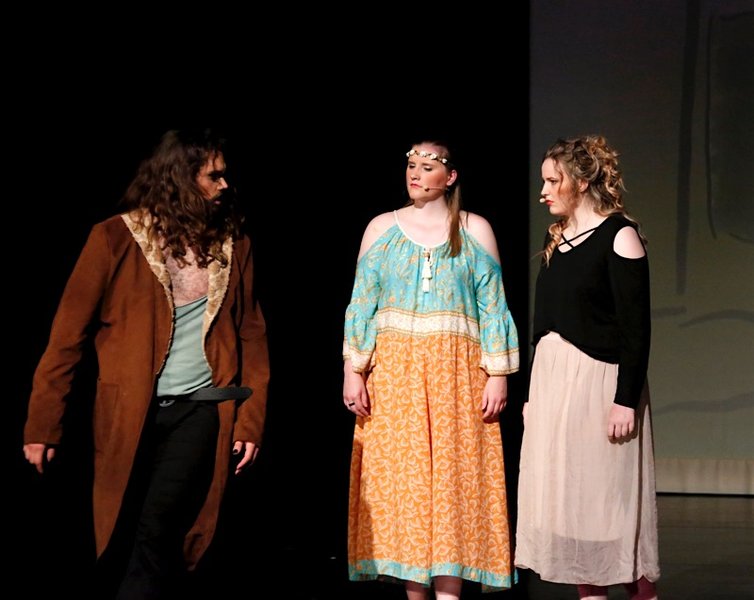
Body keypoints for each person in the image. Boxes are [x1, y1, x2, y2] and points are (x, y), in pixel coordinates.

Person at [22, 129, 270, 599]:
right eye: (213, 176)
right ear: (181, 178)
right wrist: (42, 424)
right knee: (117, 531)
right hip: (128, 411)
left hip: (201, 410)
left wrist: (250, 422)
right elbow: (66, 339)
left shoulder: (233, 245)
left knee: (158, 529)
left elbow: (251, 336)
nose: (225, 185)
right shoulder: (115, 238)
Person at [342, 139, 520, 599]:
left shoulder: (474, 229)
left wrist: (498, 373)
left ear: (450, 176)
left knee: (454, 485)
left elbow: (493, 307)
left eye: (427, 166)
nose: (415, 174)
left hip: (457, 378)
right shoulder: (381, 228)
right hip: (396, 375)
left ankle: (449, 592)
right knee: (407, 486)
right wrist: (353, 368)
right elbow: (362, 303)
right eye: (411, 165)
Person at [515, 135, 660, 600]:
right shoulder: (555, 238)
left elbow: (636, 330)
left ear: (580, 181)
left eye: (552, 181)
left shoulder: (619, 235)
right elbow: (543, 325)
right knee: (572, 510)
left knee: (604, 508)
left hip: (598, 383)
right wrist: (533, 396)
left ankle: (642, 592)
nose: (543, 192)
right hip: (554, 384)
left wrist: (624, 400)